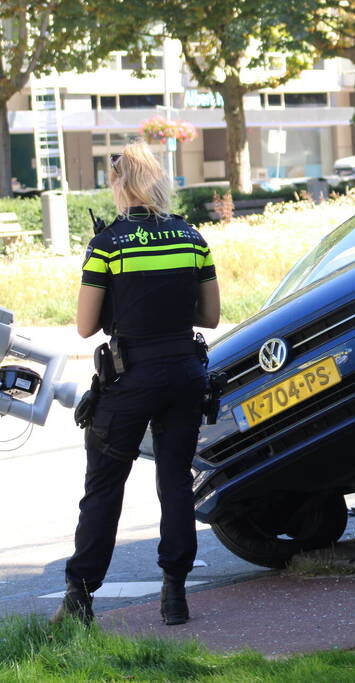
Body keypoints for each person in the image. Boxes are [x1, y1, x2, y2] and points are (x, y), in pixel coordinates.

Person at [53, 142, 220, 626]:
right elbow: (209, 316)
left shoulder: (107, 245)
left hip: (130, 377)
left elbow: (85, 327)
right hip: (186, 373)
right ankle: (175, 594)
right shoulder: (191, 237)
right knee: (174, 482)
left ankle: (80, 597)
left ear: (118, 184)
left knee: (104, 485)